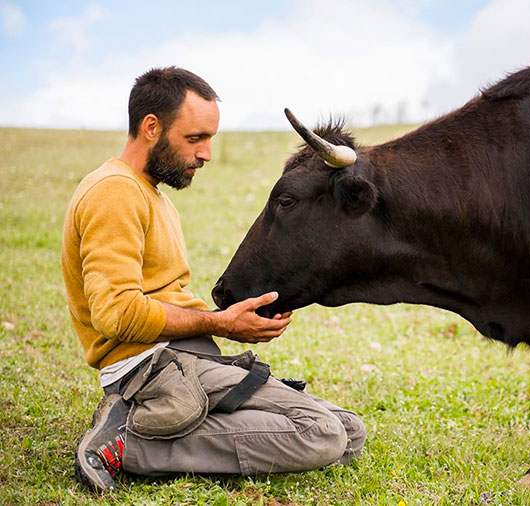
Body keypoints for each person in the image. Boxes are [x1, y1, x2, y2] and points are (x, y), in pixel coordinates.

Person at [61, 66, 366, 492]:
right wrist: (220, 323)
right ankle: (124, 443)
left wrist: (236, 324)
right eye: (195, 139)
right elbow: (115, 314)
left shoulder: (150, 194)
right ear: (151, 127)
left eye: (209, 140)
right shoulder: (114, 192)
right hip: (149, 366)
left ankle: (158, 423)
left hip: (189, 358)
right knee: (323, 433)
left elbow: (159, 298)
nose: (206, 154)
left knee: (349, 430)